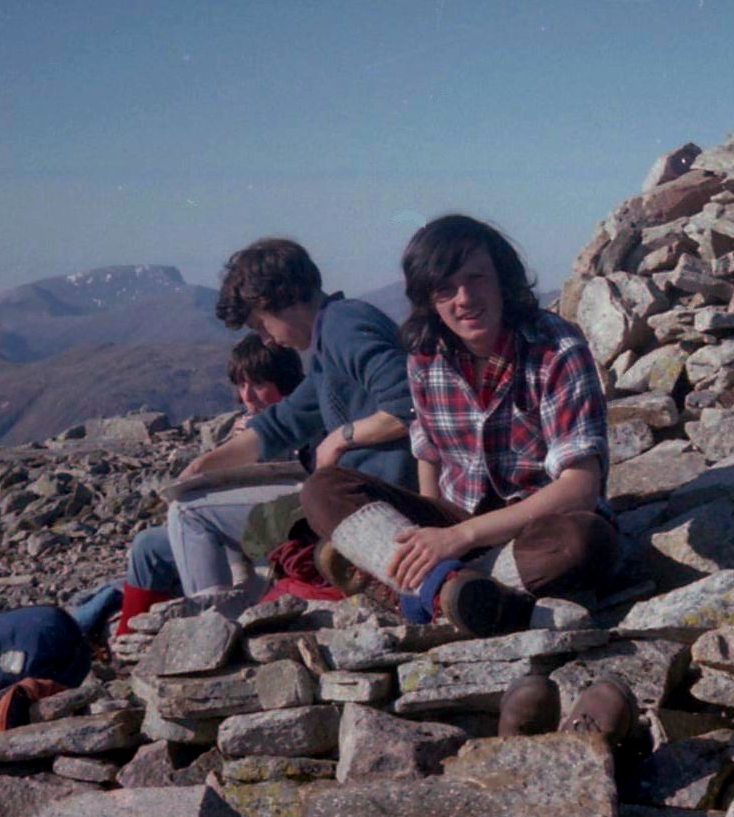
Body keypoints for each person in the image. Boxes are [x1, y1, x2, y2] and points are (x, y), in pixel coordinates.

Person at [300, 214, 621, 638]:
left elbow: (580, 487)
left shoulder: (557, 349)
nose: (464, 298)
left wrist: (457, 540)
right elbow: (428, 456)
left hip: (532, 523)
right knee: (322, 490)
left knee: (583, 543)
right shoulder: (425, 357)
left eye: (476, 278)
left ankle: (418, 588)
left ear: (503, 280)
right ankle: (453, 591)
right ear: (428, 299)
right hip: (456, 517)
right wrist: (424, 534)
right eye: (445, 288)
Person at [159, 237, 417, 602]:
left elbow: (412, 404)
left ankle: (213, 629)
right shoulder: (329, 341)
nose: (265, 339)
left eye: (261, 325)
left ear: (283, 301)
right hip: (360, 495)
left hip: (376, 500)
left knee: (189, 514)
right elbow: (283, 423)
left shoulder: (344, 327)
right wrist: (205, 465)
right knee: (200, 502)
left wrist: (342, 436)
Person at [73, 336, 308, 637]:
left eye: (259, 385)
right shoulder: (245, 421)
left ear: (285, 382)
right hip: (240, 528)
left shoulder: (301, 416)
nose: (247, 396)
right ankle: (129, 644)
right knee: (148, 546)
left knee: (189, 515)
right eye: (241, 385)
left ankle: (213, 631)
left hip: (277, 529)